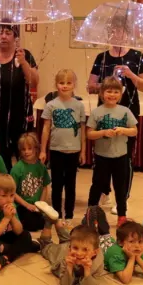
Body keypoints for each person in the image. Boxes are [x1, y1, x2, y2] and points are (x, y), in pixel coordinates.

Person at [87, 19, 143, 215]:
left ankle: (122, 198)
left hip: (128, 112)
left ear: (128, 34)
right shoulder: (102, 57)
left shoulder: (137, 56)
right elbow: (90, 86)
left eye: (121, 31)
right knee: (102, 155)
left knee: (125, 159)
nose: (117, 35)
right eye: (113, 31)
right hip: (104, 112)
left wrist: (131, 75)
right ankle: (104, 191)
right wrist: (109, 85)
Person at [0, 20, 39, 170]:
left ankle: (23, 183)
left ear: (15, 36)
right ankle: (3, 183)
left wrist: (23, 63)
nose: (3, 36)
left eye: (8, 33)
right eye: (0, 32)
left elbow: (33, 82)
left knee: (24, 153)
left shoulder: (24, 55)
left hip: (20, 116)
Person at [87, 77, 138, 224]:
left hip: (120, 157)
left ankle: (122, 216)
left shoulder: (125, 111)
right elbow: (89, 134)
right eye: (109, 91)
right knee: (97, 185)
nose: (112, 95)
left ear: (120, 94)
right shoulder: (97, 112)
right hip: (101, 156)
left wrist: (123, 130)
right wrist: (103, 132)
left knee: (120, 187)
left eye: (116, 92)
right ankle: (91, 214)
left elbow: (134, 130)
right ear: (102, 93)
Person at [39, 69, 86, 222]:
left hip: (73, 151)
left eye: (68, 83)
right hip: (56, 150)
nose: (65, 86)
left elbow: (82, 130)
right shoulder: (51, 105)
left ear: (74, 85)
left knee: (70, 184)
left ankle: (70, 215)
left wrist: (83, 151)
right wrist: (43, 150)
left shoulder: (79, 106)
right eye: (61, 83)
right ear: (56, 85)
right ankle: (57, 214)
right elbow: (46, 128)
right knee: (57, 184)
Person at [38, 219, 103, 285]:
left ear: (95, 252)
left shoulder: (98, 263)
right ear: (70, 248)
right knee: (45, 247)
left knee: (69, 240)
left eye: (85, 250)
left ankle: (58, 224)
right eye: (75, 248)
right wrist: (69, 266)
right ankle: (49, 221)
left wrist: (87, 270)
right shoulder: (66, 257)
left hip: (71, 244)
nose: (79, 253)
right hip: (63, 251)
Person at [10, 133, 51, 231]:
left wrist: (41, 205)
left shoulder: (41, 167)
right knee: (32, 225)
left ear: (36, 149)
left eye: (29, 149)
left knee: (43, 223)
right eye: (23, 149)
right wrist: (27, 205)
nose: (26, 152)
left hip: (36, 206)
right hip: (22, 205)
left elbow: (45, 187)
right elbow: (12, 192)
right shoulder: (17, 168)